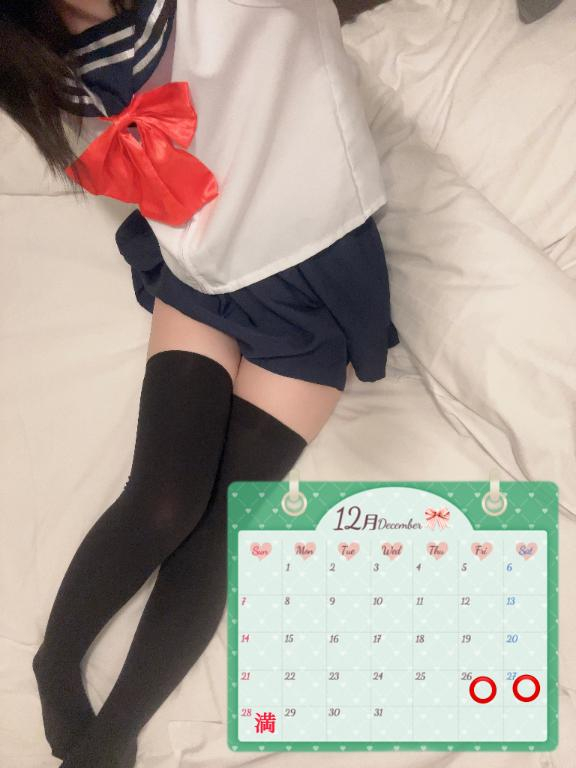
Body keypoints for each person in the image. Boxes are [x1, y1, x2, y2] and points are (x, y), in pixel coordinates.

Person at [0, 1, 399, 766]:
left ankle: (114, 733)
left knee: (223, 527)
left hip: (310, 271)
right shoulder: (34, 52)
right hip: (204, 256)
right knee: (164, 502)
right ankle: (56, 661)